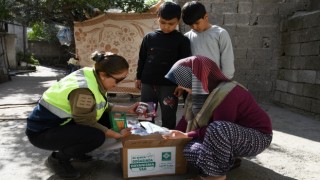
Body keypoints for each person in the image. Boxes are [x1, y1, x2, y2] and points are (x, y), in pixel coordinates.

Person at [26, 51, 139, 179]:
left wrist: (128, 109)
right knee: (96, 137)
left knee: (107, 119)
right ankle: (58, 159)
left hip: (58, 124)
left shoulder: (92, 74)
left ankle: (76, 150)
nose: (117, 84)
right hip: (42, 133)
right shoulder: (84, 90)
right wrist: (117, 135)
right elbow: (86, 121)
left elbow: (101, 105)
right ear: (103, 75)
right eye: (118, 80)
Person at [164, 56, 273, 180]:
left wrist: (187, 135)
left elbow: (219, 129)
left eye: (183, 81)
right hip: (226, 137)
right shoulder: (198, 94)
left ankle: (215, 176)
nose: (180, 86)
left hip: (256, 137)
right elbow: (187, 120)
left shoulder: (227, 93)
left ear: (196, 78)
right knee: (189, 149)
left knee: (218, 128)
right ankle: (228, 161)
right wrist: (174, 134)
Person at [135, 1, 191, 129]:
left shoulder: (182, 40)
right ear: (157, 18)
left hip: (169, 86)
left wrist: (181, 84)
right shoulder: (149, 38)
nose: (166, 26)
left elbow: (185, 63)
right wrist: (139, 77)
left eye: (171, 23)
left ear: (178, 21)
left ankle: (168, 144)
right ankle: (146, 141)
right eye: (162, 22)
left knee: (169, 116)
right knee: (145, 116)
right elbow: (142, 59)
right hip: (148, 83)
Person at [181, 1, 235, 79]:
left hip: (217, 82)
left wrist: (225, 81)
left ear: (206, 17)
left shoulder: (220, 34)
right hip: (196, 83)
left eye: (197, 23)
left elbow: (227, 60)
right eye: (191, 25)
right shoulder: (187, 37)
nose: (194, 27)